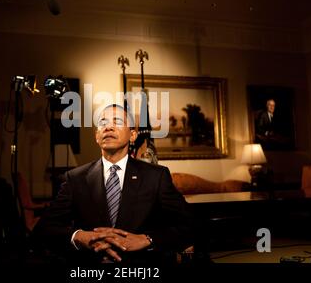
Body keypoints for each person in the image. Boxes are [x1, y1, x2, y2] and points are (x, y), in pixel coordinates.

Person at [34, 104, 193, 263]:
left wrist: (148, 239)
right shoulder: (75, 178)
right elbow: (44, 229)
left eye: (117, 121)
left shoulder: (156, 176)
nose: (108, 127)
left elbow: (190, 225)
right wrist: (79, 236)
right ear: (97, 136)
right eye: (103, 123)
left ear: (132, 135)